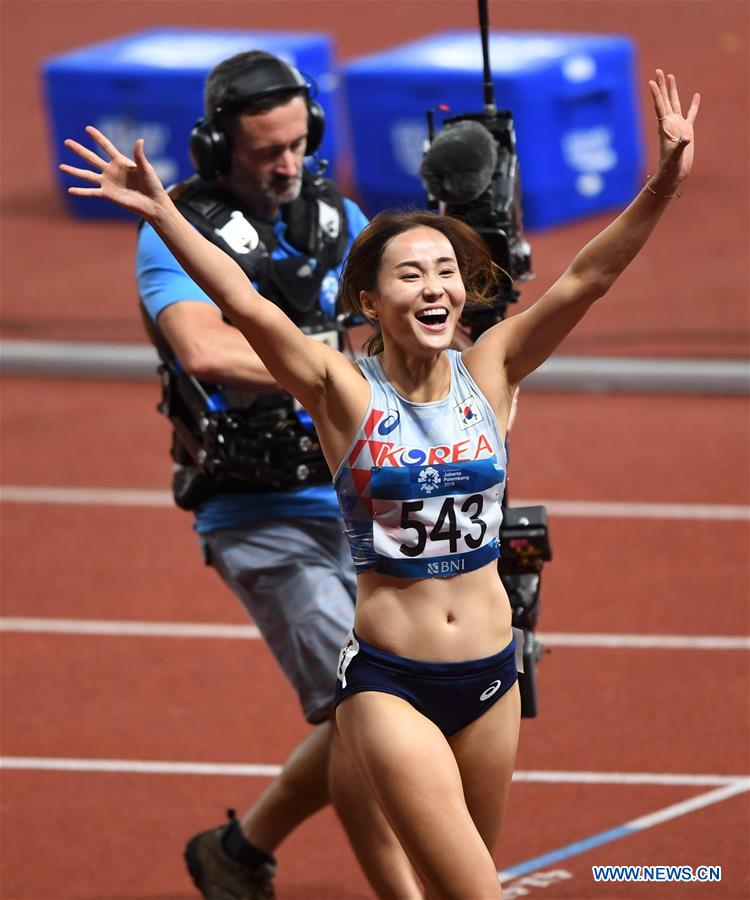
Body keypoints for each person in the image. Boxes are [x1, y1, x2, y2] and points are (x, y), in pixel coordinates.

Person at [62, 68, 699, 898]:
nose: (434, 286)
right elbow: (241, 307)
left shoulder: (494, 368)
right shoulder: (341, 390)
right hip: (391, 687)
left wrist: (662, 185)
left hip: (491, 679)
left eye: (446, 271)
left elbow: (586, 279)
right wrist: (163, 213)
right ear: (368, 298)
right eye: (410, 274)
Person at [133, 51, 420, 899]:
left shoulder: (341, 217)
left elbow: (401, 332)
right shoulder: (173, 230)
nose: (289, 165)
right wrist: (340, 365)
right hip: (258, 510)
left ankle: (240, 850)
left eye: (299, 143)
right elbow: (204, 348)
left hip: (367, 493)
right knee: (367, 710)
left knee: (436, 677)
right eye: (266, 151)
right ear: (217, 148)